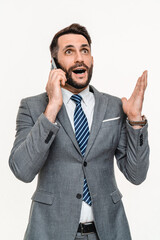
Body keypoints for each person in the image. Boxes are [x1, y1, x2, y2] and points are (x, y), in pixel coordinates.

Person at [9, 23, 149, 240]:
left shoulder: (114, 107)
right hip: (50, 232)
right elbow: (22, 170)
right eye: (69, 51)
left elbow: (136, 175)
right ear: (54, 63)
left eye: (85, 50)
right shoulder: (33, 107)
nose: (79, 58)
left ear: (92, 59)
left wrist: (135, 122)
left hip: (109, 232)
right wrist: (52, 109)